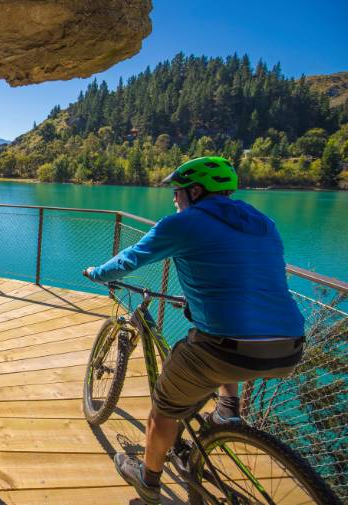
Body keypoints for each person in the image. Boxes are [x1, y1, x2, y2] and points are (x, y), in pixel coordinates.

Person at [83, 156, 305, 504]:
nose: (174, 199)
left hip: (226, 347)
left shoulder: (184, 223)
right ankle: (228, 408)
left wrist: (96, 272)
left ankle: (148, 480)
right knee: (204, 346)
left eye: (177, 191)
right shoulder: (264, 222)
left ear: (195, 191)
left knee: (164, 407)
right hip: (290, 344)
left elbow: (129, 260)